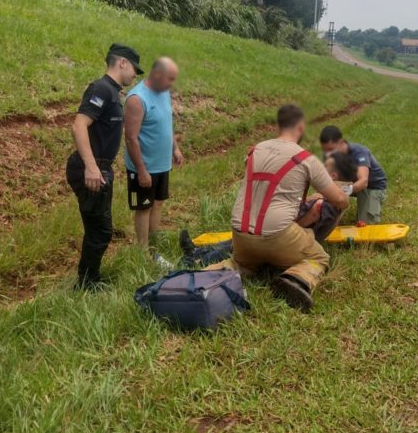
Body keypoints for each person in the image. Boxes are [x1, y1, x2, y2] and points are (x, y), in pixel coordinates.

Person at [208, 104, 349, 311]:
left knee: (241, 264)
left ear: (278, 125)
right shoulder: (305, 159)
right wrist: (345, 199)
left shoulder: (254, 151)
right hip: (277, 236)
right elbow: (338, 199)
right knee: (319, 257)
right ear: (300, 127)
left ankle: (206, 273)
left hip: (240, 234)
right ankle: (295, 280)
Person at [179, 151, 357, 267]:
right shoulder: (333, 196)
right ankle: (198, 252)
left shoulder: (327, 202)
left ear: (333, 176)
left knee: (246, 244)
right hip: (292, 235)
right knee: (238, 240)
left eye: (324, 169)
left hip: (292, 240)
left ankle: (196, 261)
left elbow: (306, 220)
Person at [66, 44, 143, 290]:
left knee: (98, 229)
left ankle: (89, 280)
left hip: (100, 168)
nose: (135, 75)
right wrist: (91, 167)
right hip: (91, 169)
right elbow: (79, 126)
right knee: (100, 230)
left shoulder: (112, 92)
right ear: (121, 63)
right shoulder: (101, 89)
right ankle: (87, 284)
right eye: (134, 68)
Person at [124, 57, 182, 258]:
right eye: (170, 78)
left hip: (162, 164)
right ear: (157, 75)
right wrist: (141, 170)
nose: (171, 84)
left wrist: (175, 148)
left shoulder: (164, 92)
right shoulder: (136, 99)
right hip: (144, 167)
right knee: (144, 208)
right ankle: (142, 253)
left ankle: (154, 250)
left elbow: (167, 123)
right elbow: (131, 138)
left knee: (157, 203)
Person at [319, 126, 388, 224]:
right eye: (325, 150)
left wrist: (344, 191)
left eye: (331, 149)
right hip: (351, 183)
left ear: (341, 143)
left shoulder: (358, 152)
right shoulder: (331, 156)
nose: (328, 154)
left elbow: (364, 182)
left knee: (366, 225)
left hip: (372, 187)